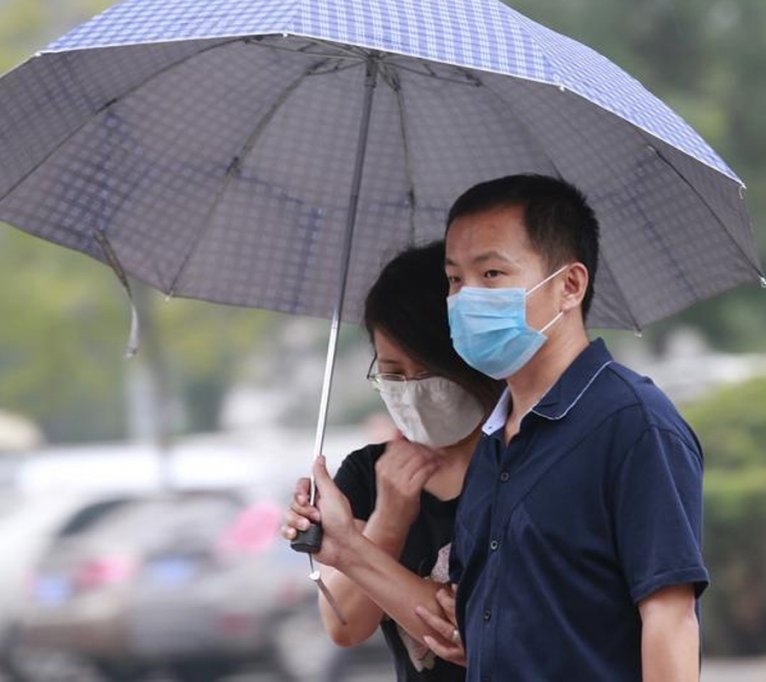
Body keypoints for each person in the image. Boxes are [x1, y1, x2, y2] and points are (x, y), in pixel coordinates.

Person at [418, 174, 709, 681]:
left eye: (491, 274)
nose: (466, 298)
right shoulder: (494, 440)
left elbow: (670, 618)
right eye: (454, 280)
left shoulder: (634, 425)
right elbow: (474, 630)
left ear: (569, 286)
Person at [281, 241, 501, 681]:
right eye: (392, 372)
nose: (412, 389)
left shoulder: (517, 463)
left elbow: (471, 636)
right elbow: (344, 624)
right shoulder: (365, 474)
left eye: (428, 371)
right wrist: (390, 518)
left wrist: (353, 546)